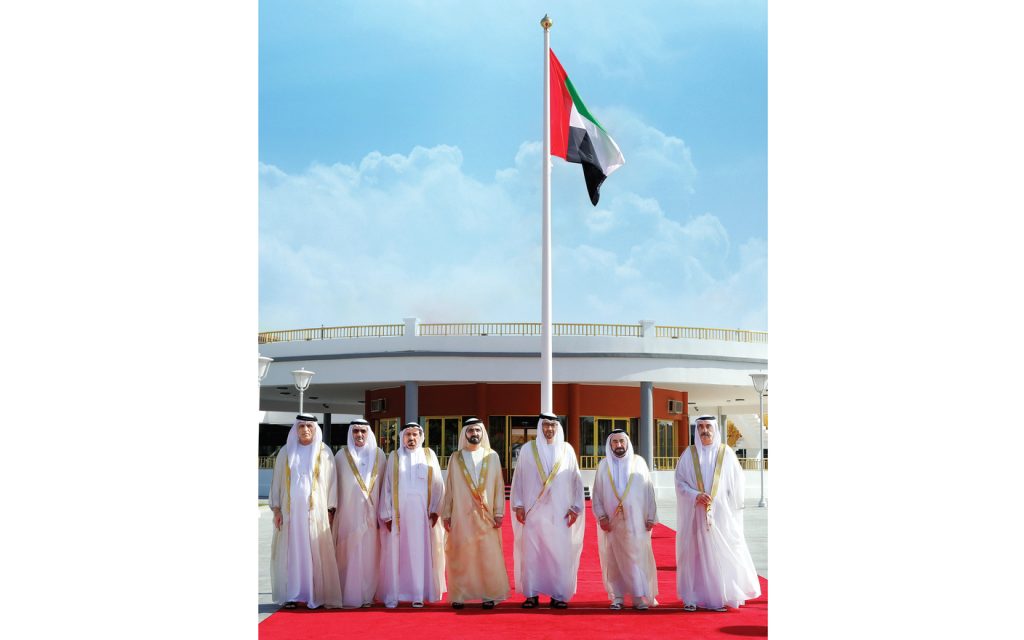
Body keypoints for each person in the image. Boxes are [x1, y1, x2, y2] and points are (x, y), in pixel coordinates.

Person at [674, 415, 761, 611]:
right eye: (701, 427)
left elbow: (737, 483)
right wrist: (695, 495)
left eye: (708, 426)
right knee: (694, 555)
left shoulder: (726, 453)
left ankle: (720, 597)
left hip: (722, 515)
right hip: (696, 515)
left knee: (721, 554)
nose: (704, 430)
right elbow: (679, 483)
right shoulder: (688, 454)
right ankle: (693, 597)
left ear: (715, 429)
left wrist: (727, 504)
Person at [510, 412, 585, 609]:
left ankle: (558, 595)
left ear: (557, 427)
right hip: (534, 512)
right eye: (545, 425)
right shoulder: (528, 449)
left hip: (560, 513)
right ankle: (531, 595)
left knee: (558, 554)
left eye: (553, 425)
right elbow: (519, 478)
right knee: (532, 554)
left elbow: (576, 480)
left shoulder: (567, 450)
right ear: (540, 427)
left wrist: (575, 507)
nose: (549, 429)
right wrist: (519, 504)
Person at [268, 414, 343, 609]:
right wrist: (277, 510)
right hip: (290, 513)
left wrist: (330, 510)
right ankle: (292, 595)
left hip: (316, 513)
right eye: (301, 426)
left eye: (309, 426)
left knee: (314, 552)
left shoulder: (324, 452)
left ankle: (314, 595)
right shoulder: (285, 452)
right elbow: (277, 482)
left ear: (315, 428)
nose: (305, 430)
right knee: (291, 553)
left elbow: (332, 483)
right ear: (296, 429)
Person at [440, 418, 509, 609]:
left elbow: (498, 485)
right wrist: (447, 514)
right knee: (461, 555)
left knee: (487, 556)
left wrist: (499, 512)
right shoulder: (456, 458)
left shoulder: (492, 456)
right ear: (465, 434)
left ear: (482, 433)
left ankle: (489, 595)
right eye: (470, 430)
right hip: (461, 515)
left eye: (478, 430)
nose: (474, 434)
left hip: (486, 515)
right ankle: (459, 596)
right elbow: (450, 487)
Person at [378, 422, 446, 608]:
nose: (411, 438)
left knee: (420, 554)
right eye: (408, 435)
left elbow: (438, 485)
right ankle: (397, 594)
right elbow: (387, 487)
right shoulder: (395, 457)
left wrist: (436, 511)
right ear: (402, 437)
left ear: (420, 436)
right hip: (399, 517)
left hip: (423, 517)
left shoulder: (429, 455)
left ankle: (418, 594)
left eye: (415, 434)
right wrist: (387, 515)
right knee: (398, 555)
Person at [592, 429, 659, 610]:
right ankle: (618, 597)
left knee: (637, 557)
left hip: (637, 521)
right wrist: (601, 516)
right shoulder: (604, 465)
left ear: (627, 442)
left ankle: (638, 597)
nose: (619, 445)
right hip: (612, 523)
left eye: (622, 441)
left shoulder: (639, 463)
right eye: (615, 442)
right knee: (613, 559)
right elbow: (597, 494)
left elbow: (649, 491)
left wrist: (651, 516)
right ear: (610, 444)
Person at [333, 418, 387, 608]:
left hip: (373, 513)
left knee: (370, 554)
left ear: (368, 433)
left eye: (363, 431)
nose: (359, 435)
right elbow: (334, 485)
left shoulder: (379, 455)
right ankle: (348, 593)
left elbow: (386, 486)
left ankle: (368, 595)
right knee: (349, 552)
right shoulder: (341, 456)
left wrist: (384, 512)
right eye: (355, 431)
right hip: (348, 514)